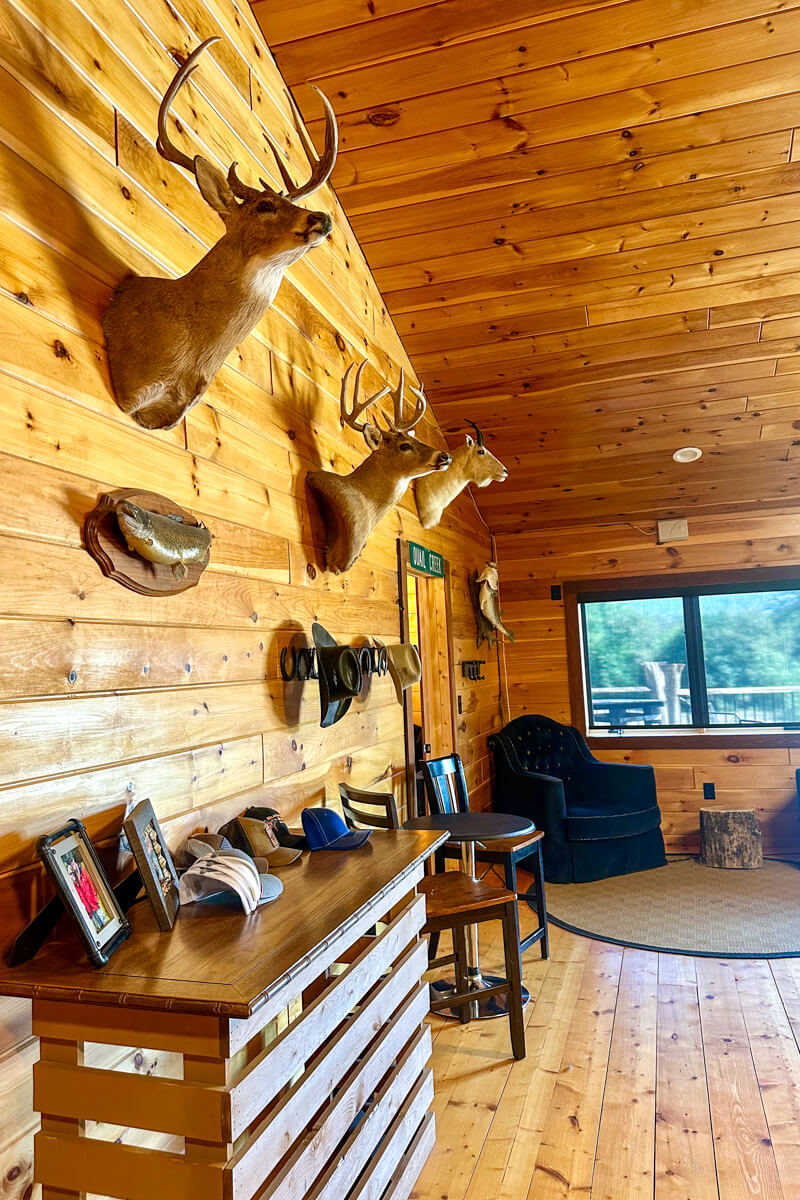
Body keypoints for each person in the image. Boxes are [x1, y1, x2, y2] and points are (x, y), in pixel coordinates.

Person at [66, 853, 109, 933]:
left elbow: (90, 883)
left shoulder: (81, 870)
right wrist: (72, 879)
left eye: (71, 860)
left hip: (92, 900)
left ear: (73, 860)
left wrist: (95, 897)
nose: (71, 863)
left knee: (102, 918)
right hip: (86, 905)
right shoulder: (71, 877)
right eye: (69, 862)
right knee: (97, 923)